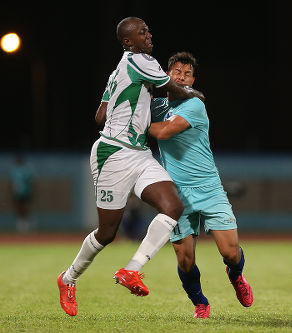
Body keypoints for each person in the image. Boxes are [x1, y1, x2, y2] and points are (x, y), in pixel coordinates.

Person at [57, 17, 204, 317]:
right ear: (128, 42)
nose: (149, 35)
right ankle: (68, 278)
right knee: (107, 233)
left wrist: (136, 97)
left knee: (173, 206)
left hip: (138, 152)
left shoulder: (118, 71)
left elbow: (100, 115)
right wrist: (193, 94)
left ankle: (131, 270)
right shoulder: (140, 60)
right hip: (113, 154)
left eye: (148, 30)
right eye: (141, 32)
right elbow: (174, 90)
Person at [148, 52, 253, 318]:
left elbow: (163, 132)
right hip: (176, 194)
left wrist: (138, 123)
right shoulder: (158, 105)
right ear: (167, 75)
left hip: (208, 187)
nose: (181, 76)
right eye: (176, 71)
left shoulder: (194, 105)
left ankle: (236, 274)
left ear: (192, 80)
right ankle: (200, 303)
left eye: (186, 73)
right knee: (185, 260)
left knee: (230, 252)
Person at [9, 154, 35, 233]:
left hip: (26, 192)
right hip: (17, 193)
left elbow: (31, 182)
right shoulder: (14, 170)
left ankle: (27, 224)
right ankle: (21, 225)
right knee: (18, 208)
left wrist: (32, 192)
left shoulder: (26, 170)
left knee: (25, 208)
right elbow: (12, 183)